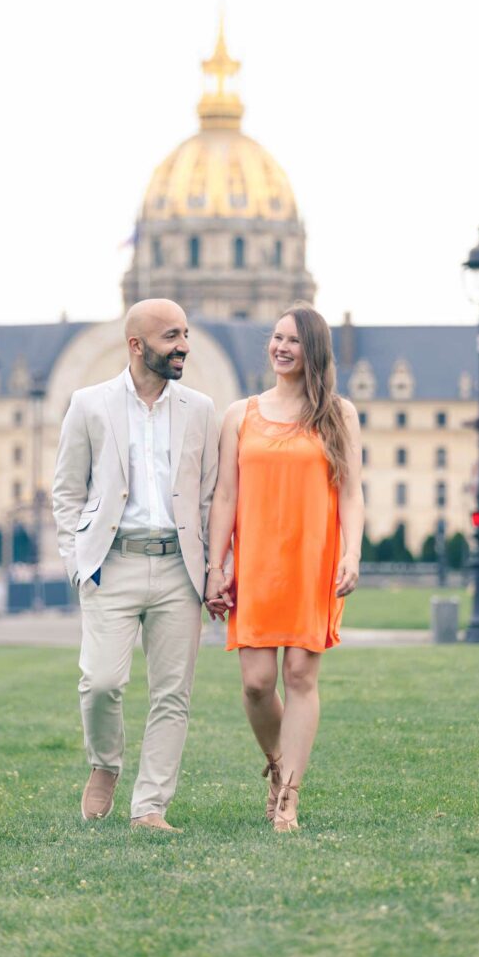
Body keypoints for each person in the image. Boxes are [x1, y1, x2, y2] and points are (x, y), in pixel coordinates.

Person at [52, 299, 218, 832]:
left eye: (186, 335)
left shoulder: (200, 409)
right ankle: (105, 763)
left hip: (178, 569)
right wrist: (76, 561)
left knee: (173, 694)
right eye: (172, 336)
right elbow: (67, 491)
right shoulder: (90, 404)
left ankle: (150, 806)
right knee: (100, 682)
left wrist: (215, 568)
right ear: (136, 344)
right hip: (113, 562)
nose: (184, 346)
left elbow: (211, 497)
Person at [206, 302, 364, 832]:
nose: (281, 347)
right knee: (255, 682)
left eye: (293, 340)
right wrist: (216, 564)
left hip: (311, 558)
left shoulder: (337, 414)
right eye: (276, 337)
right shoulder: (240, 414)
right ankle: (277, 766)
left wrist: (352, 552)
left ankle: (290, 798)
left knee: (299, 675)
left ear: (313, 350)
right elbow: (225, 495)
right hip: (255, 561)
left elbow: (352, 493)